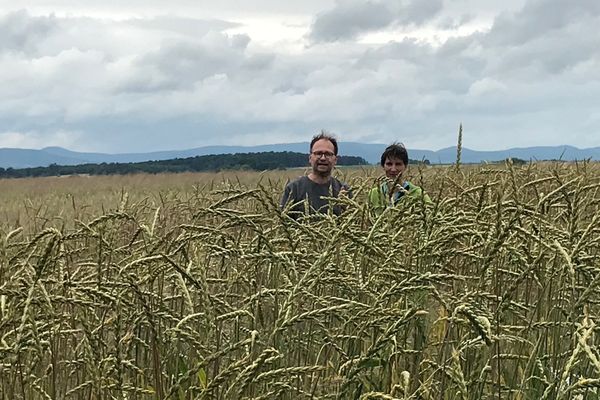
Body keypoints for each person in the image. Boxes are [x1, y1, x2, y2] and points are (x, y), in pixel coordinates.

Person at [280, 131, 351, 219]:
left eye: (328, 154)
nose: (323, 158)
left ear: (335, 160)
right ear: (310, 158)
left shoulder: (343, 190)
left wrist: (345, 208)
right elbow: (283, 223)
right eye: (318, 153)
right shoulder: (294, 189)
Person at [368, 143, 430, 216]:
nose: (393, 169)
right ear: (383, 166)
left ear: (405, 166)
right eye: (389, 164)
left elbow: (433, 218)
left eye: (398, 164)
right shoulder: (373, 194)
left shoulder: (418, 193)